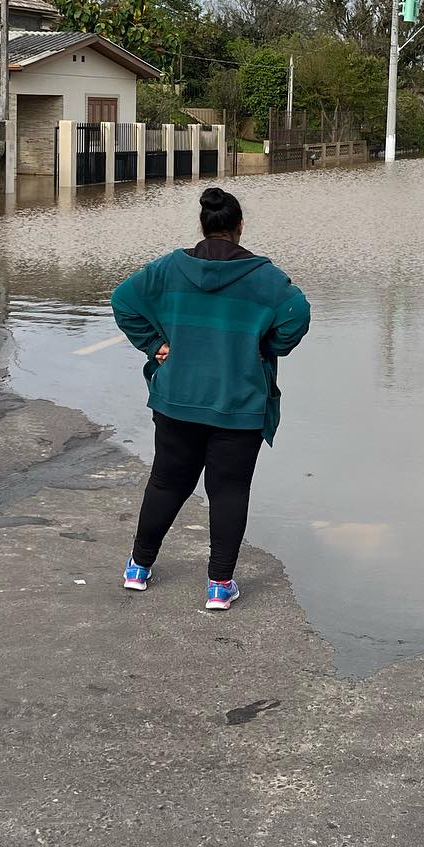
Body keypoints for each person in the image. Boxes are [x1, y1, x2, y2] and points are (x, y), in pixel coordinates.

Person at [111, 186, 310, 609]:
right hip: (238, 403)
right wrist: (264, 347)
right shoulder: (266, 279)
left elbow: (123, 300)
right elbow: (298, 316)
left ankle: (138, 568)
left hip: (177, 399)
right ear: (239, 228)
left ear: (202, 226)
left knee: (166, 482)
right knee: (229, 490)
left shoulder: (169, 268)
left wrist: (154, 344)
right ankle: (219, 586)